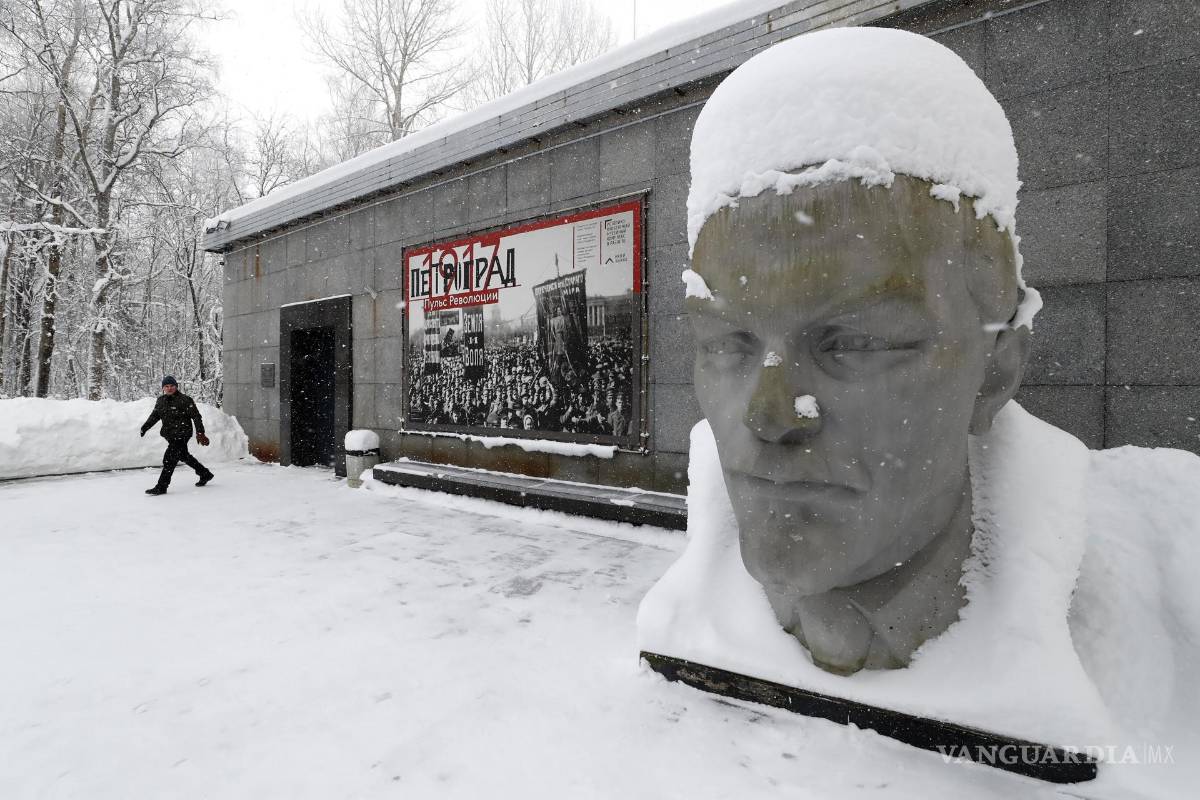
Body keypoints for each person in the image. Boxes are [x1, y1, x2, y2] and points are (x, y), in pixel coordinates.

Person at [638, 26, 1200, 774]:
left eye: (855, 342)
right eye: (729, 343)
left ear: (997, 368)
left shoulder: (1172, 601)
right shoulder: (687, 613)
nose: (769, 415)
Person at [139, 375, 213, 495]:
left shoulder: (185, 400)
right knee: (183, 455)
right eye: (166, 386)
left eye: (172, 386)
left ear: (176, 386)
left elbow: (196, 416)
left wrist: (200, 432)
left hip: (182, 434)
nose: (169, 388)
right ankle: (205, 473)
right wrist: (145, 427)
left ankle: (161, 486)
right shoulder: (161, 401)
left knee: (169, 459)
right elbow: (155, 416)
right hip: (170, 435)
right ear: (163, 388)